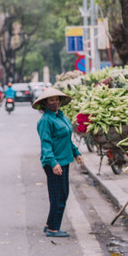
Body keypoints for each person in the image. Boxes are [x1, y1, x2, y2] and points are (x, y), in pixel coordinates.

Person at [34, 86, 84, 238]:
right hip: (54, 163)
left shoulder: (61, 116)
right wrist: (53, 163)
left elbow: (67, 139)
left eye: (56, 99)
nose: (54, 102)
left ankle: (49, 224)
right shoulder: (46, 121)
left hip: (64, 160)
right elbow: (46, 144)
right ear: (45, 103)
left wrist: (76, 153)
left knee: (62, 193)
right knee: (58, 196)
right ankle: (53, 229)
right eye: (51, 100)